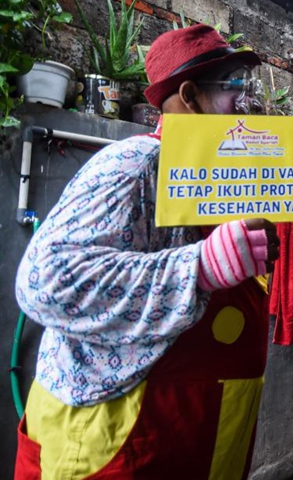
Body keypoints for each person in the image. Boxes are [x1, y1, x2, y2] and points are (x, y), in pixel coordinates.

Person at [14, 24, 279, 479]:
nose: (249, 104)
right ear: (191, 96)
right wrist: (199, 268)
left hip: (198, 433)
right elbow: (44, 280)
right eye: (236, 86)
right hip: (119, 436)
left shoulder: (224, 179)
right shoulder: (137, 162)